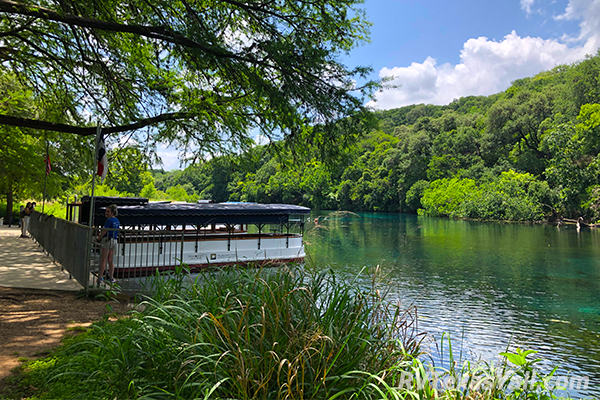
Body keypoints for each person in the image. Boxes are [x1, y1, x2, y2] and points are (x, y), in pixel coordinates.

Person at [97, 204, 120, 284]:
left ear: (112, 212)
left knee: (103, 259)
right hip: (114, 240)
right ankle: (111, 277)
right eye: (106, 211)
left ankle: (100, 277)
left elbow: (105, 230)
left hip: (107, 240)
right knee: (110, 260)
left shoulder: (108, 221)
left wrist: (99, 238)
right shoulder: (117, 220)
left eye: (108, 211)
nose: (106, 213)